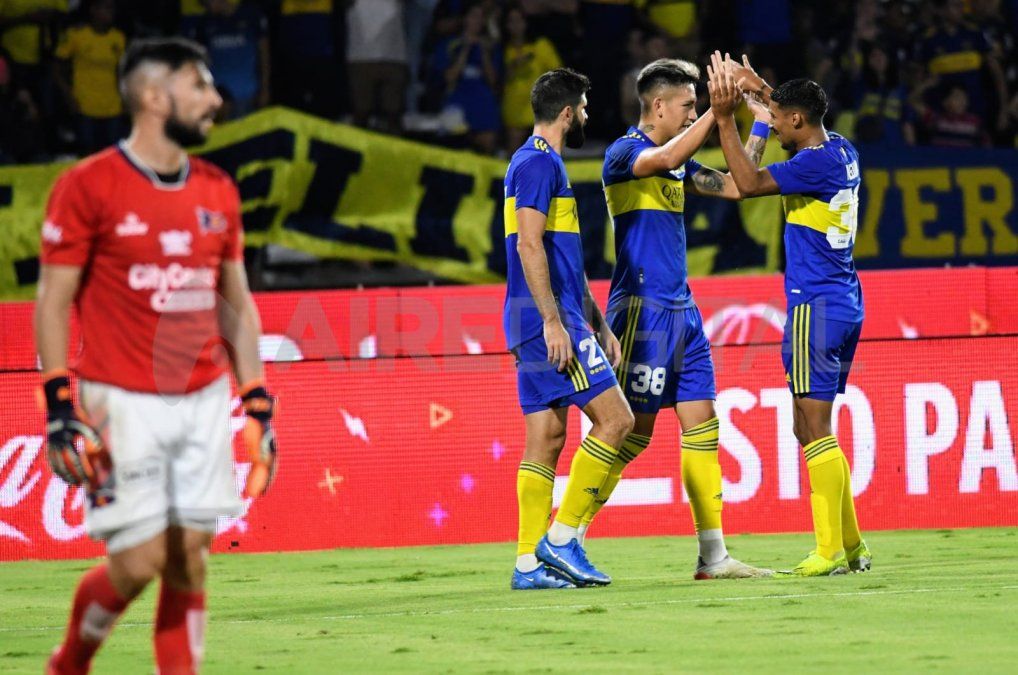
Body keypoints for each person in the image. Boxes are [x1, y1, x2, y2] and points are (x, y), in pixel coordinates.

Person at [38, 37, 278, 673]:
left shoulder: (218, 190)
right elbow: (52, 302)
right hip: (120, 398)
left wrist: (256, 402)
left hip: (202, 398)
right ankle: (69, 663)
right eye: (199, 86)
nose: (215, 99)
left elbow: (236, 304)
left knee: (191, 554)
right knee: (140, 561)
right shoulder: (87, 185)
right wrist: (59, 405)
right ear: (152, 96)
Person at [583, 57, 772, 580]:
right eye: (688, 106)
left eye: (697, 105)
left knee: (703, 426)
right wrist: (719, 110)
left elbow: (736, 186)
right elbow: (666, 155)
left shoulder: (678, 165)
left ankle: (714, 556)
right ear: (658, 105)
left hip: (683, 311)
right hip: (641, 311)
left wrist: (757, 124)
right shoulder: (625, 153)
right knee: (630, 434)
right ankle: (566, 535)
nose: (693, 114)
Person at [709, 52, 871, 576]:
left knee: (813, 427)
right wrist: (760, 87)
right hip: (843, 300)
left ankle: (828, 550)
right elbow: (789, 110)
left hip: (815, 305)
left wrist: (728, 118)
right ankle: (852, 546)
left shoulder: (810, 165)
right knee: (811, 428)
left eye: (778, 119)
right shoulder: (840, 148)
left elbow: (747, 184)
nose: (773, 124)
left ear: (798, 120)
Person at [504, 67, 634, 589]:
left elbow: (565, 262)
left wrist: (598, 322)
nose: (586, 114)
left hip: (543, 317)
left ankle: (527, 565)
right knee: (617, 420)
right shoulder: (539, 163)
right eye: (582, 107)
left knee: (547, 437)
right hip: (546, 320)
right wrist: (554, 322)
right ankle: (561, 541)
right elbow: (528, 245)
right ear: (565, 113)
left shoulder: (535, 161)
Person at [53, 0, 125, 154]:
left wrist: (124, 98)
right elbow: (57, 68)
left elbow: (121, 71)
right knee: (87, 151)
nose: (110, 13)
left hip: (112, 105)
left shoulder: (118, 38)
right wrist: (68, 95)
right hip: (84, 103)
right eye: (106, 8)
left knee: (112, 152)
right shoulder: (76, 35)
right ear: (93, 10)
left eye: (112, 8)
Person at [182, 0, 271, 119]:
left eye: (206, 3)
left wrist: (265, 89)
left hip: (246, 95)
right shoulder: (204, 23)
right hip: (217, 98)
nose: (205, 7)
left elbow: (264, 55)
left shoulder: (251, 16)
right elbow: (198, 60)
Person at [501, 5, 561, 155]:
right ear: (506, 25)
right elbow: (498, 80)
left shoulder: (540, 45)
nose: (516, 25)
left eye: (519, 20)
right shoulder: (503, 49)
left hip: (540, 110)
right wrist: (513, 67)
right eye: (511, 21)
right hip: (514, 109)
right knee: (515, 157)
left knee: (544, 156)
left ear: (525, 23)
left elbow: (558, 73)